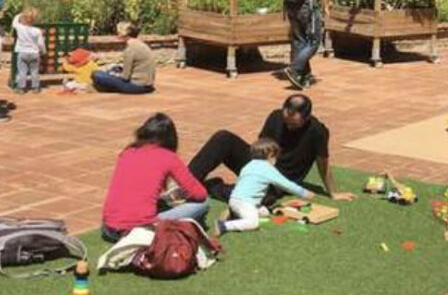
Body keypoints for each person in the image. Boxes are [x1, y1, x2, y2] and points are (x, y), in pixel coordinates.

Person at [188, 94, 356, 205]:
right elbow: (260, 146)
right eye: (286, 121)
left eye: (294, 124)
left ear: (307, 118)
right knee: (223, 137)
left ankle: (211, 187)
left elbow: (323, 162)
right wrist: (254, 170)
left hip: (280, 180)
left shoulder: (318, 131)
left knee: (263, 199)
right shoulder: (275, 116)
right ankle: (186, 183)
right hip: (261, 164)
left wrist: (333, 192)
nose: (289, 126)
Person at [101, 113, 208, 243]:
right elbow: (200, 194)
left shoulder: (127, 152)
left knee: (159, 202)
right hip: (139, 230)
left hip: (108, 228)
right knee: (202, 205)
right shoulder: (169, 157)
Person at [214, 138, 314, 236]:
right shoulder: (268, 169)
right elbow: (286, 184)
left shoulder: (248, 165)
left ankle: (233, 212)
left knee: (265, 212)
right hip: (245, 203)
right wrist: (303, 192)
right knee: (253, 223)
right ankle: (223, 226)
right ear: (271, 155)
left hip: (234, 199)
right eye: (276, 157)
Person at [92, 22, 155, 94]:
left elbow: (125, 77)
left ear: (124, 34)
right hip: (148, 85)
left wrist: (114, 74)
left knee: (97, 74)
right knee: (114, 68)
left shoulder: (130, 49)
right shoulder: (142, 45)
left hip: (137, 86)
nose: (117, 34)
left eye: (118, 32)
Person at [12, 7, 45, 94]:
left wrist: (19, 15)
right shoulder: (37, 30)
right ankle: (35, 87)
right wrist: (43, 51)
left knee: (22, 71)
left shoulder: (20, 28)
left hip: (22, 52)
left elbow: (14, 22)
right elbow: (41, 43)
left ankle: (21, 88)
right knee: (34, 71)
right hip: (34, 53)